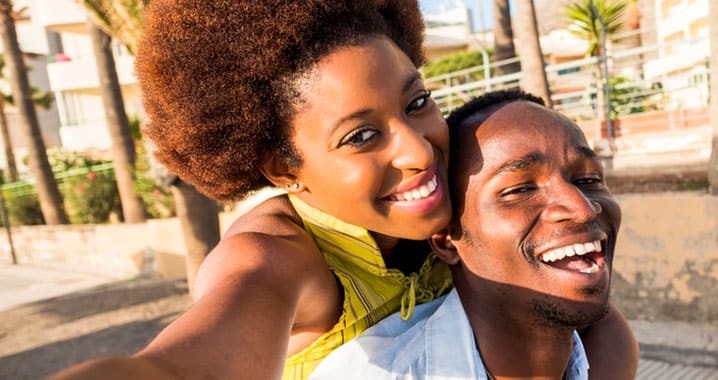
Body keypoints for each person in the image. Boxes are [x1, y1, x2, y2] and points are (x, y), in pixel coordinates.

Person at [51, 1, 637, 379]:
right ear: (283, 168)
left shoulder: (446, 198)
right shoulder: (277, 255)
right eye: (360, 135)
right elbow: (189, 364)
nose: (417, 150)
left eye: (417, 103)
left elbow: (588, 317)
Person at [309, 89, 622, 379]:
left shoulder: (604, 355)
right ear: (446, 238)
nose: (583, 209)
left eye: (588, 179)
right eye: (520, 189)